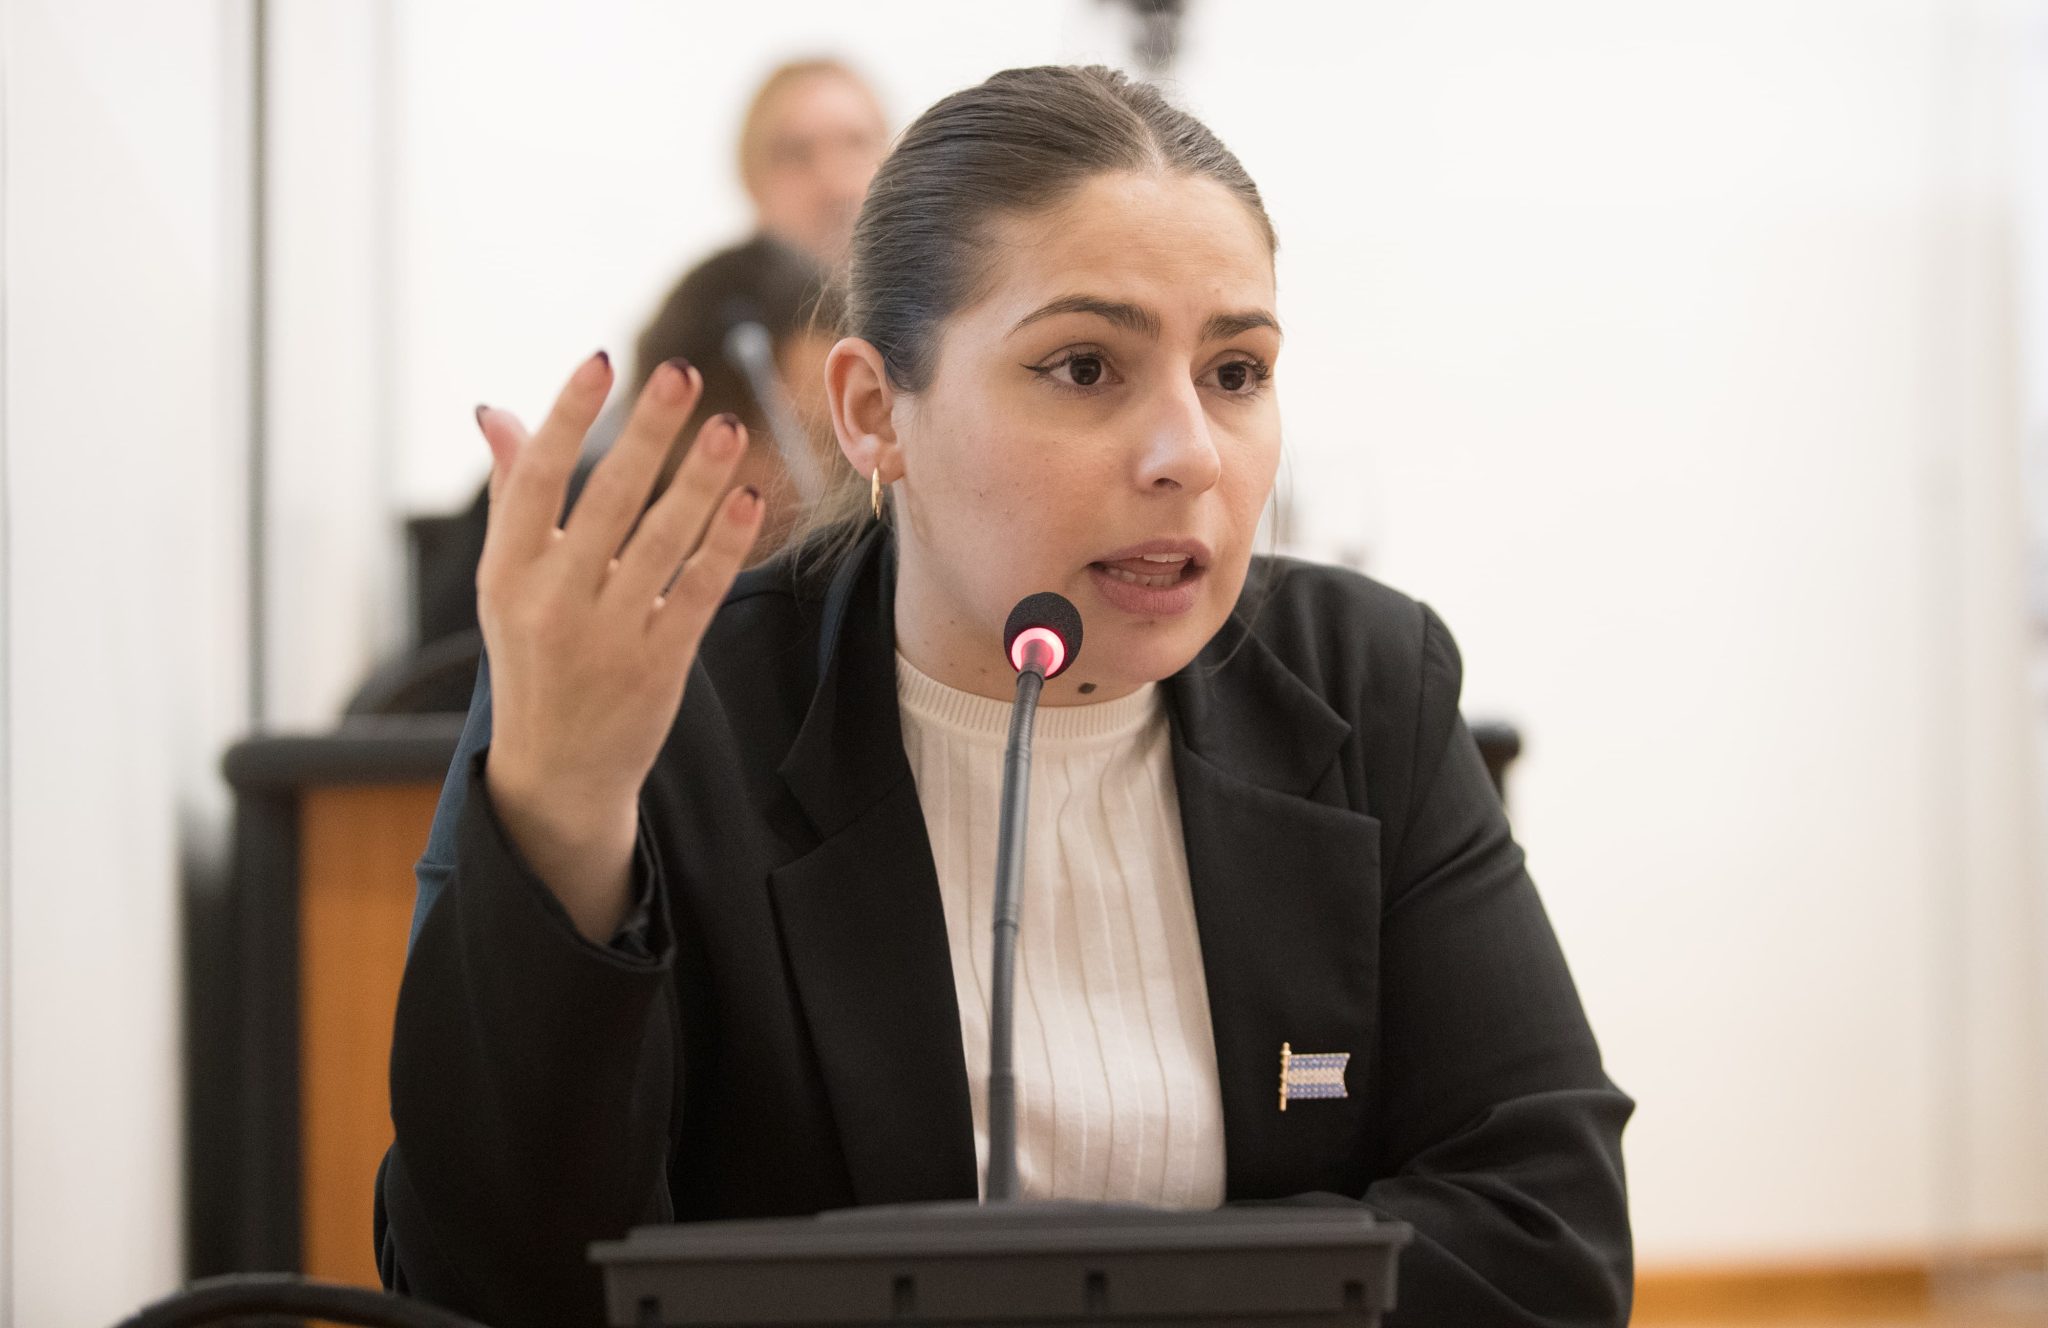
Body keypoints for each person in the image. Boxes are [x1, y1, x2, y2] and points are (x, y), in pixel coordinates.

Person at [378, 64, 1634, 1328]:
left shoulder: (1365, 678)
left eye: (1235, 372)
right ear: (874, 412)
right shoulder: (670, 715)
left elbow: (1546, 1236)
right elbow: (492, 1290)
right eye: (1084, 367)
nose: (1188, 454)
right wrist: (562, 823)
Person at [737, 57, 890, 273]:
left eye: (856, 144)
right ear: (753, 181)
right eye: (798, 154)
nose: (837, 185)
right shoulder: (713, 292)